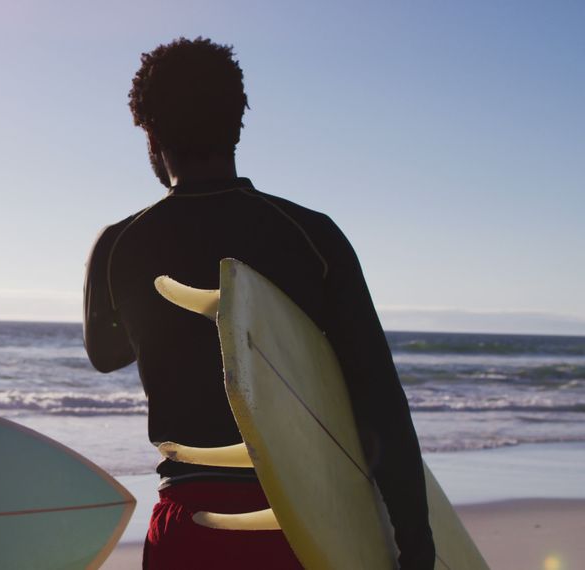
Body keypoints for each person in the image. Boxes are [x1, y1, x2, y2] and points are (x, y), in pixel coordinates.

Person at [83, 38, 435, 569]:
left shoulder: (118, 246)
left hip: (190, 526)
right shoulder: (310, 236)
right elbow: (379, 395)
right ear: (238, 124)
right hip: (302, 522)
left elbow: (106, 353)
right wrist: (415, 536)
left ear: (149, 133)